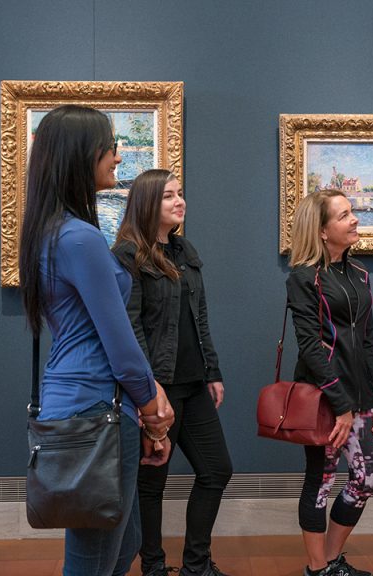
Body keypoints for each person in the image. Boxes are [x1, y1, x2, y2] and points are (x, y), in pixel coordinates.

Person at [18, 104, 176, 576]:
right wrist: (153, 411)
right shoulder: (79, 238)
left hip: (82, 399)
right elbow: (119, 342)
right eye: (110, 148)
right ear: (80, 155)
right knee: (93, 560)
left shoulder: (52, 232)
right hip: (96, 404)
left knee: (123, 541)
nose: (118, 156)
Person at [112, 169, 233, 576]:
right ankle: (153, 566)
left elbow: (200, 318)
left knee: (216, 470)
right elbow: (130, 328)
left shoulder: (185, 250)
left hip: (194, 383)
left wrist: (212, 371)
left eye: (179, 194)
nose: (179, 201)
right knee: (151, 484)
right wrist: (146, 390)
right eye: (168, 196)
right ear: (147, 203)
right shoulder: (128, 255)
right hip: (156, 388)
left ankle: (196, 566)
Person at [285, 189, 373, 576]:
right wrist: (341, 405)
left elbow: (368, 339)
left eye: (352, 212)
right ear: (322, 230)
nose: (355, 219)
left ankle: (330, 560)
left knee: (366, 480)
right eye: (344, 215)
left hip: (361, 396)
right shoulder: (303, 277)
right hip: (324, 399)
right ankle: (318, 568)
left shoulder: (359, 273)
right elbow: (310, 347)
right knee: (321, 481)